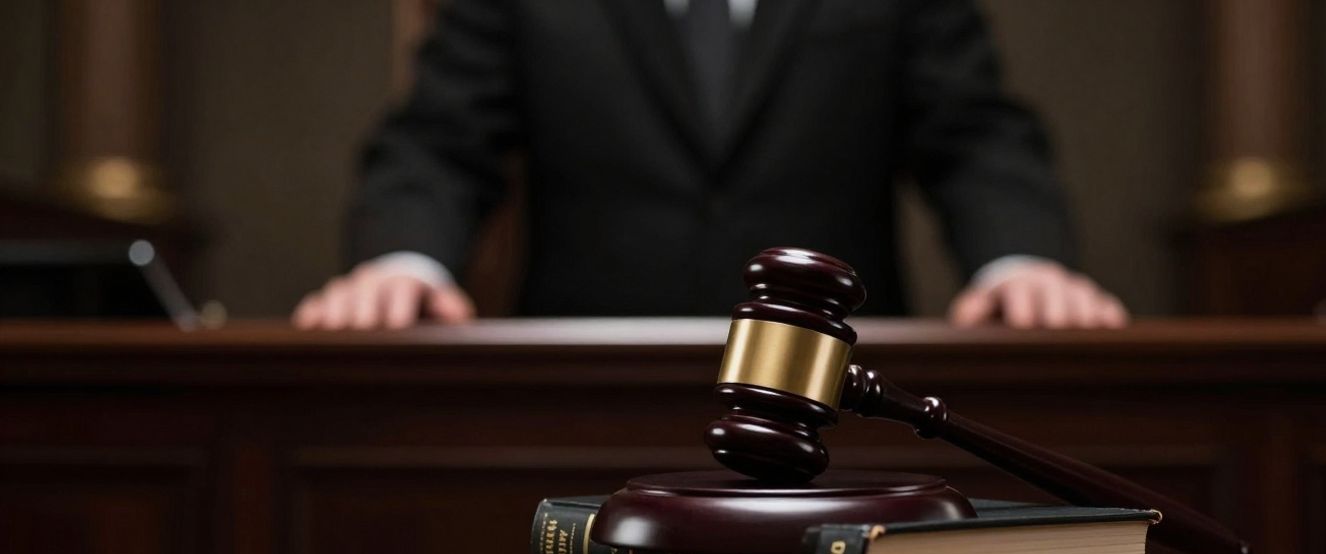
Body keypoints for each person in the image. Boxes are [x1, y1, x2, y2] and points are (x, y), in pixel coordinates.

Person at [295, 0, 1129, 330]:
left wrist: (1020, 260)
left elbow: (974, 130)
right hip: (587, 396)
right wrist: (402, 260)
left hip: (829, 400)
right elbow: (441, 136)